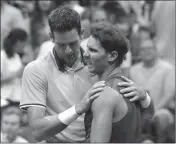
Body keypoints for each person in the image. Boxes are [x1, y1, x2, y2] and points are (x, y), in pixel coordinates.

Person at [20, 6, 153, 143]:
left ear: (82, 33)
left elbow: (144, 114)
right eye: (61, 45)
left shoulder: (98, 65)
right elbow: (38, 131)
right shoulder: (36, 70)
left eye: (73, 43)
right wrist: (77, 109)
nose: (68, 51)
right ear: (51, 38)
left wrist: (144, 97)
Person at [83, 22, 154, 143]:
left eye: (93, 50)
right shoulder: (130, 87)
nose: (85, 54)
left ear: (112, 56)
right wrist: (145, 97)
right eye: (86, 48)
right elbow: (150, 112)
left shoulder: (105, 95)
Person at [1, 28, 28, 106]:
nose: (24, 46)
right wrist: (15, 74)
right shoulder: (2, 56)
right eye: (24, 42)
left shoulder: (16, 56)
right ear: (18, 42)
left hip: (18, 97)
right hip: (5, 97)